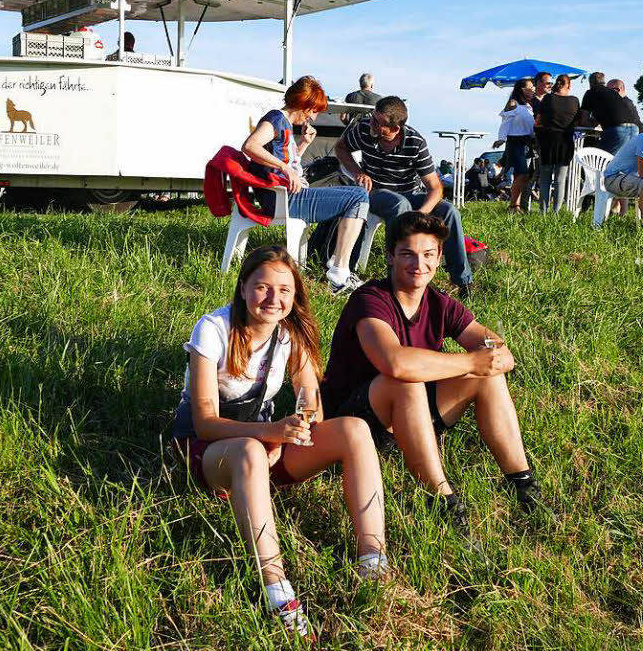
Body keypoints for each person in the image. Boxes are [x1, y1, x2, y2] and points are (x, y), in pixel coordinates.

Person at [171, 246, 388, 640]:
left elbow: (311, 405)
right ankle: (277, 590)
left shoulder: (292, 334)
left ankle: (373, 559)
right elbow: (203, 424)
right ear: (242, 288)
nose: (274, 299)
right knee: (250, 451)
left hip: (265, 444)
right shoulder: (213, 329)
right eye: (262, 287)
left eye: (284, 290)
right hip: (210, 451)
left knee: (355, 428)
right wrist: (268, 436)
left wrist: (297, 429)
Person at [321, 212, 541, 530]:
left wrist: (492, 358)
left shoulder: (440, 303)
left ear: (439, 258)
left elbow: (497, 349)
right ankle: (442, 499)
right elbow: (394, 362)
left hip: (413, 418)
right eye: (408, 254)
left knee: (488, 377)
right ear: (391, 256)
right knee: (405, 380)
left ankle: (522, 483)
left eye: (427, 255)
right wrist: (471, 362)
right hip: (355, 422)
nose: (418, 264)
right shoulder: (370, 300)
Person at [336, 95, 475, 298]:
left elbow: (435, 188)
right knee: (398, 205)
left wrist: (420, 214)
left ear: (395, 129)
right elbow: (341, 147)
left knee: (449, 210)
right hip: (375, 193)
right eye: (373, 118)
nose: (372, 124)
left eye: (378, 122)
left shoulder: (415, 143)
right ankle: (396, 279)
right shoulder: (363, 129)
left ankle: (463, 281)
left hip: (410, 193)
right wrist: (358, 172)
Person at [241, 75, 369, 294]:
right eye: (314, 110)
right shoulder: (275, 119)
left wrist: (303, 145)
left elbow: (288, 163)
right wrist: (284, 169)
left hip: (286, 194)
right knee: (358, 196)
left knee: (357, 195)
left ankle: (339, 267)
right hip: (283, 199)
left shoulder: (286, 125)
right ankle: (339, 272)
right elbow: (250, 145)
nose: (315, 116)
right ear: (303, 105)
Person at [536, 74, 580, 213]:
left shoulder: (549, 98)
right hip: (565, 142)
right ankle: (556, 212)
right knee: (560, 180)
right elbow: (578, 121)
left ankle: (543, 211)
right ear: (569, 85)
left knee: (545, 179)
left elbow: (538, 119)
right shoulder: (574, 101)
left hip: (547, 141)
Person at [495, 78, 536, 214]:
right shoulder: (514, 103)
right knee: (522, 174)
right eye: (530, 88)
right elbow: (506, 121)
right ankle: (513, 205)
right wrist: (501, 138)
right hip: (515, 141)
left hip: (527, 142)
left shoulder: (529, 106)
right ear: (522, 90)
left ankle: (515, 205)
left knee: (521, 175)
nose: (533, 90)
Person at [579, 73, 641, 155]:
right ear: (604, 82)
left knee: (600, 159)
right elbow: (611, 112)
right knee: (620, 161)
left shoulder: (591, 93)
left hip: (617, 130)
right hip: (634, 129)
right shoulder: (613, 92)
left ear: (590, 83)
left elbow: (583, 119)